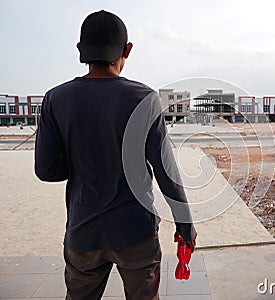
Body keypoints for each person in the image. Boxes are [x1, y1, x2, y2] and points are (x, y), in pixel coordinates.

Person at [34, 10, 197, 300]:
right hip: (136, 233)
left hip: (83, 232)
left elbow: (47, 171)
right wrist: (185, 224)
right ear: (127, 50)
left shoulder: (55, 99)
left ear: (80, 50)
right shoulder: (144, 99)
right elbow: (165, 170)